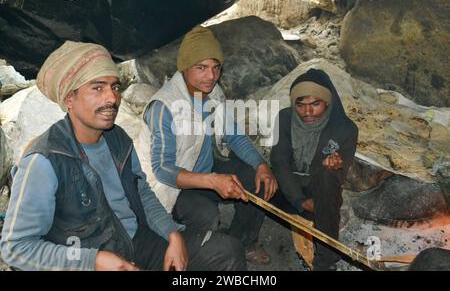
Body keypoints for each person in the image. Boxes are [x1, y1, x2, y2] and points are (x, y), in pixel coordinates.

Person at [0, 41, 241, 271]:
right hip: (89, 258)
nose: (112, 98)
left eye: (115, 87)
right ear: (69, 99)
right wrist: (92, 261)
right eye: (97, 88)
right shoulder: (44, 161)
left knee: (227, 251)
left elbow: (142, 193)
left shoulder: (118, 138)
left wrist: (172, 233)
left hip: (137, 241)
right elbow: (16, 248)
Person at [139, 25, 278, 267]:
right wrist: (212, 181)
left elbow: (234, 136)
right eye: (201, 68)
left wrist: (261, 165)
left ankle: (242, 243)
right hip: (174, 186)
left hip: (206, 169)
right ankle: (193, 256)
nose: (211, 76)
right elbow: (162, 169)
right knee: (206, 215)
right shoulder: (164, 106)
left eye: (216, 68)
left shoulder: (213, 93)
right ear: (184, 68)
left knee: (257, 181)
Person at [270, 68, 358, 271]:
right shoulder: (284, 119)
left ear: (327, 103)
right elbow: (280, 162)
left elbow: (338, 178)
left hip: (316, 191)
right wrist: (300, 201)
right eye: (300, 105)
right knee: (254, 178)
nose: (307, 112)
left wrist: (334, 167)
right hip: (286, 187)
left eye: (315, 104)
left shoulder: (344, 129)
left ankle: (325, 262)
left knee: (328, 179)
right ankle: (246, 240)